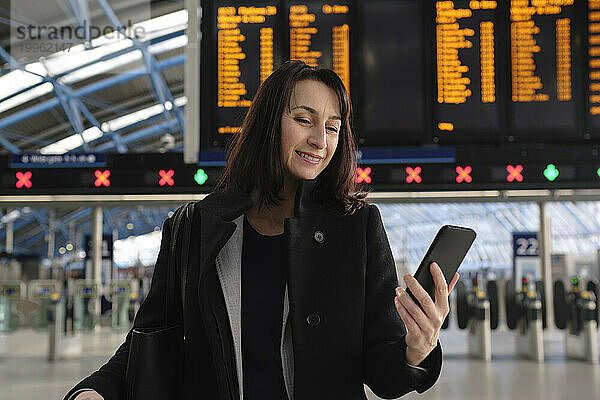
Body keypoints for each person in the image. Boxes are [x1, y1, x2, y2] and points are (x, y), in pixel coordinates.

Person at [64, 60, 459, 400]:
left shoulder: (356, 229)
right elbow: (149, 340)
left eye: (334, 127)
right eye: (304, 120)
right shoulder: (196, 228)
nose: (319, 140)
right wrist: (94, 391)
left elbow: (382, 373)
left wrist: (417, 348)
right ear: (269, 123)